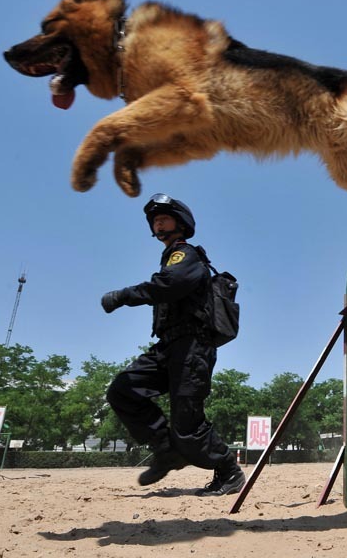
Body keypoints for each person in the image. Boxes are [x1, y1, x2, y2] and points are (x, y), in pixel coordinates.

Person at [103, 193, 245, 496]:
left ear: (180, 223)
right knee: (123, 390)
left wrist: (124, 296)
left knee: (188, 427)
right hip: (168, 346)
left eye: (164, 218)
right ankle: (165, 450)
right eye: (155, 220)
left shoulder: (185, 254)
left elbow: (169, 285)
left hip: (192, 347)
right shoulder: (171, 257)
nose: (158, 223)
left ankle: (229, 471)